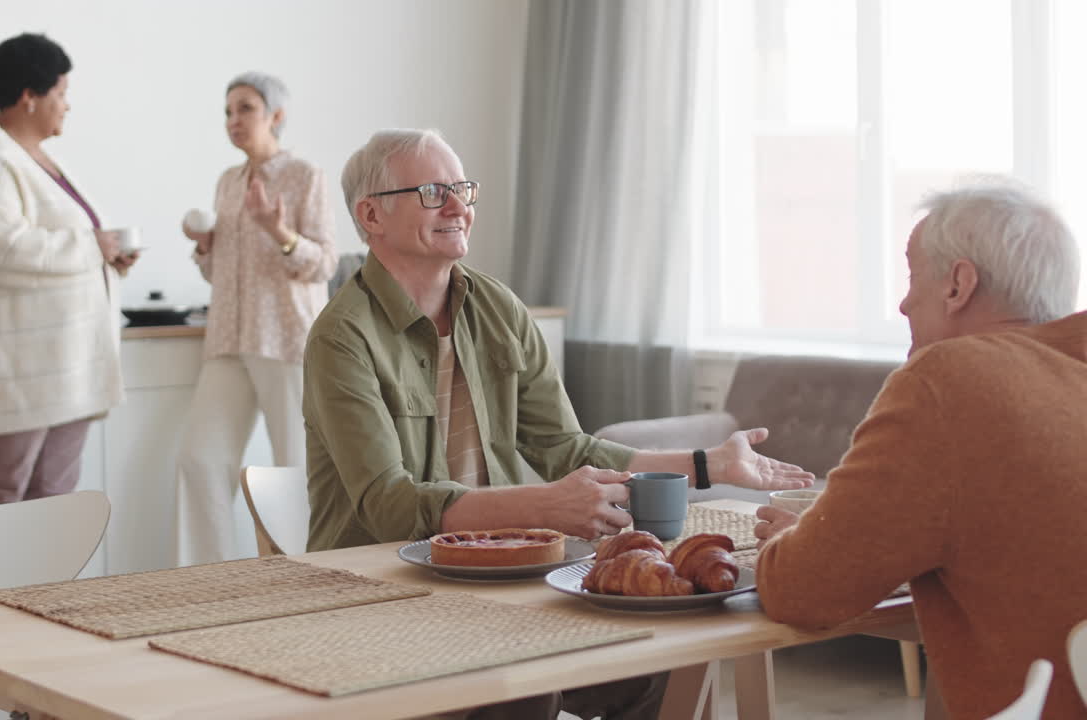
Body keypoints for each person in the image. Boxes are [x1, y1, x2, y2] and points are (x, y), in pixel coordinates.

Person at [303, 128, 814, 719]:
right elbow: (390, 505)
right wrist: (541, 508)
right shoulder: (342, 336)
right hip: (374, 592)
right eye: (434, 191)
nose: (460, 207)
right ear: (372, 215)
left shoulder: (499, 309)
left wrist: (709, 465)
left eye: (463, 189)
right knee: (526, 682)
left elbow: (566, 449)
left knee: (652, 666)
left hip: (493, 581)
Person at [753, 180, 1087, 719]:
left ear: (959, 284)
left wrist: (797, 539)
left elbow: (803, 591)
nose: (904, 302)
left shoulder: (951, 379)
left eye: (912, 277)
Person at [0, 32, 137, 509]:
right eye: (61, 93)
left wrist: (108, 257)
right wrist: (92, 248)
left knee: (53, 500)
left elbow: (65, 247)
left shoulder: (39, 158)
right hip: (16, 368)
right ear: (29, 96)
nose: (68, 105)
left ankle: (43, 589)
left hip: (65, 369)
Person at [175, 72, 337, 566]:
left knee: (295, 469)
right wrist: (205, 251)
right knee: (199, 459)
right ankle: (208, 583)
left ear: (276, 116)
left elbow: (324, 263)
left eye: (245, 108)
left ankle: (309, 577)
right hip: (228, 338)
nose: (233, 120)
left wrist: (279, 230)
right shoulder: (228, 182)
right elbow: (219, 272)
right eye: (228, 111)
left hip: (287, 339)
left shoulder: (304, 176)